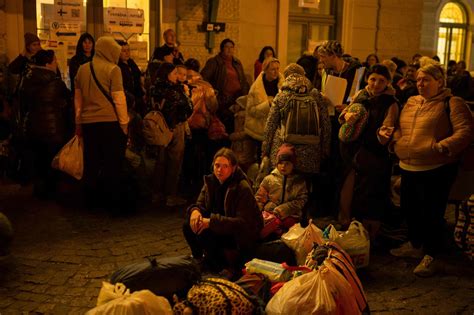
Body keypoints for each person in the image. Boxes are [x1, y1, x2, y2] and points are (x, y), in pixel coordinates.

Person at [390, 61, 474, 277]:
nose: (420, 83)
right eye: (418, 79)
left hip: (437, 167)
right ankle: (416, 245)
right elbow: (401, 127)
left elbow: (465, 131)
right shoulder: (411, 102)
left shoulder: (452, 103)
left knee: (432, 213)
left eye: (426, 80)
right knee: (410, 208)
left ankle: (432, 255)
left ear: (439, 82)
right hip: (408, 164)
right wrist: (397, 141)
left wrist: (442, 147)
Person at [262, 63, 331, 217]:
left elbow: (270, 125)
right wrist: (325, 150)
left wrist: (265, 152)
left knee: (284, 188)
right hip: (311, 153)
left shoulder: (282, 95)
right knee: (305, 191)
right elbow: (325, 124)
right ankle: (305, 222)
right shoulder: (315, 94)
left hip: (285, 152)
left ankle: (282, 220)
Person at [338, 64, 399, 237]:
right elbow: (346, 112)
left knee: (371, 192)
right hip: (353, 151)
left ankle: (369, 232)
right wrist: (346, 116)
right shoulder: (361, 95)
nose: (375, 84)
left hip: (374, 154)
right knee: (351, 188)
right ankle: (349, 224)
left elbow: (389, 124)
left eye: (381, 80)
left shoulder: (390, 102)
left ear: (387, 82)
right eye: (373, 79)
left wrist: (383, 134)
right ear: (367, 79)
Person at [183, 148, 263, 278]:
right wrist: (195, 211)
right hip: (220, 224)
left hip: (239, 234)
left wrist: (211, 222)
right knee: (189, 225)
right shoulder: (211, 181)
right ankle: (200, 258)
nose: (220, 170)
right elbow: (200, 203)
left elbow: (243, 223)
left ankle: (223, 266)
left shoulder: (242, 187)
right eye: (217, 165)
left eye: (225, 166)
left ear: (233, 168)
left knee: (208, 231)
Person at [74, 36, 129, 213]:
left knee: (92, 163)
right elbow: (119, 99)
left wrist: (78, 122)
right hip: (109, 123)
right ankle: (112, 203)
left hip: (89, 123)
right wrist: (124, 124)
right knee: (112, 164)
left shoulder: (82, 69)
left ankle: (90, 202)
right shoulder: (114, 70)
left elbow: (78, 100)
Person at [21, 49, 73, 199]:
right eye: (55, 61)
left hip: (32, 128)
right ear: (48, 63)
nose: (56, 64)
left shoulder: (27, 80)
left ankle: (40, 190)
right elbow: (67, 99)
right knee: (51, 160)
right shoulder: (55, 82)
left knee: (38, 160)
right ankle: (51, 191)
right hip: (53, 129)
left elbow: (23, 104)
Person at [151, 62, 193, 207]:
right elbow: (188, 108)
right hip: (174, 127)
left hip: (158, 128)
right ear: (167, 75)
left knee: (160, 162)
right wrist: (186, 94)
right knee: (174, 162)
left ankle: (157, 193)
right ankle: (170, 195)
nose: (177, 76)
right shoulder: (175, 90)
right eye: (175, 73)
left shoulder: (154, 88)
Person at [256, 143, 308, 237]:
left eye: (287, 163)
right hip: (270, 214)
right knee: (265, 224)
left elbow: (301, 200)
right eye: (281, 163)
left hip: (291, 215)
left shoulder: (298, 182)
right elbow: (260, 198)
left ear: (293, 165)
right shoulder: (269, 179)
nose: (283, 167)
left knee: (288, 225)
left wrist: (284, 209)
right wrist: (257, 212)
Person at [201, 38, 250, 134]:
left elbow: (243, 80)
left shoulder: (237, 62)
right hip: (222, 100)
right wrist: (213, 92)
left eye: (231, 47)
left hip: (237, 100)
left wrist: (245, 97)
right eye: (227, 47)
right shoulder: (214, 62)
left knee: (237, 127)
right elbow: (204, 78)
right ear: (222, 49)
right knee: (224, 127)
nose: (229, 49)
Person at [244, 57, 284, 156]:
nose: (276, 72)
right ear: (265, 70)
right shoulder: (256, 88)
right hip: (260, 129)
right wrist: (267, 104)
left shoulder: (283, 86)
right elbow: (251, 111)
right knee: (261, 157)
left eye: (277, 69)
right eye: (273, 69)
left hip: (277, 129)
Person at [117, 40, 145, 116]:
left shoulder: (131, 62)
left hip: (137, 96)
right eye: (123, 51)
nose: (127, 53)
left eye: (128, 50)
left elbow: (138, 76)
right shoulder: (117, 66)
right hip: (128, 98)